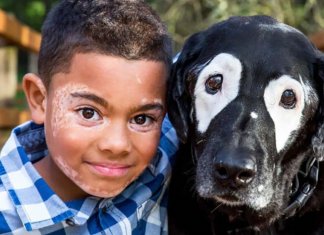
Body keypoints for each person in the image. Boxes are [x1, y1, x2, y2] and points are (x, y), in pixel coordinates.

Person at [0, 0, 178, 234]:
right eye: (89, 112)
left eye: (142, 119)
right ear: (40, 100)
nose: (117, 145)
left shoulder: (164, 156)